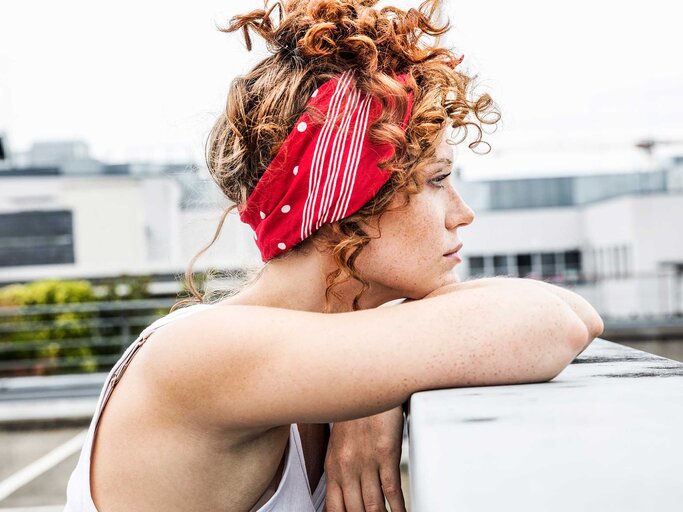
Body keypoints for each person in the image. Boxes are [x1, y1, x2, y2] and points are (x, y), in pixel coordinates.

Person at [64, 0, 604, 511]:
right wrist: (380, 375)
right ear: (351, 203)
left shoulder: (305, 357)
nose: (462, 214)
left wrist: (375, 388)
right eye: (437, 181)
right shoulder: (199, 352)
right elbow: (554, 323)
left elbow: (579, 315)